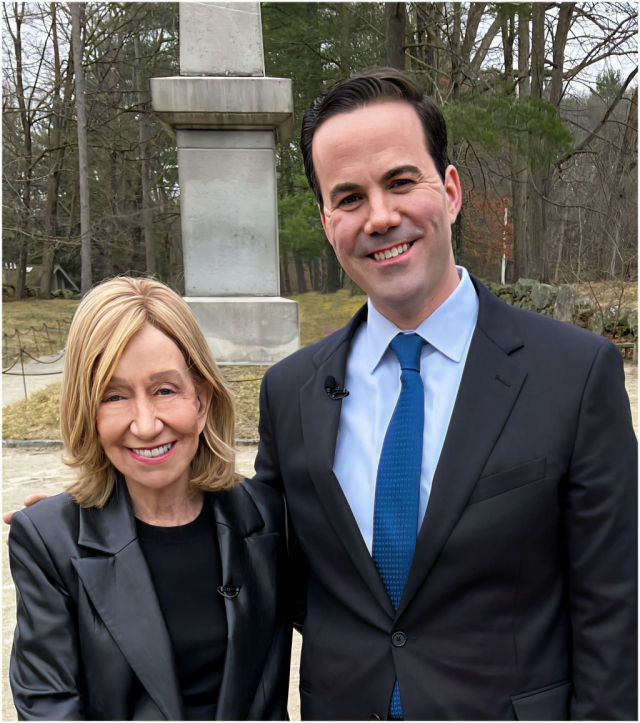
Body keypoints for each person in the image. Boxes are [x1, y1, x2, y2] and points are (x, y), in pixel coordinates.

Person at [252, 68, 638, 720]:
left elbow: (613, 610)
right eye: (349, 197)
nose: (380, 216)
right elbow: (261, 564)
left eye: (401, 181)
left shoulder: (575, 375)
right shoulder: (291, 392)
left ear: (451, 190)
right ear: (326, 221)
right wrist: (103, 509)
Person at [8, 277, 291, 721]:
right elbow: (48, 706)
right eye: (114, 396)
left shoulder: (268, 517)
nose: (145, 424)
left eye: (164, 390)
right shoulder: (48, 542)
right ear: (86, 410)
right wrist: (53, 529)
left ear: (201, 400)